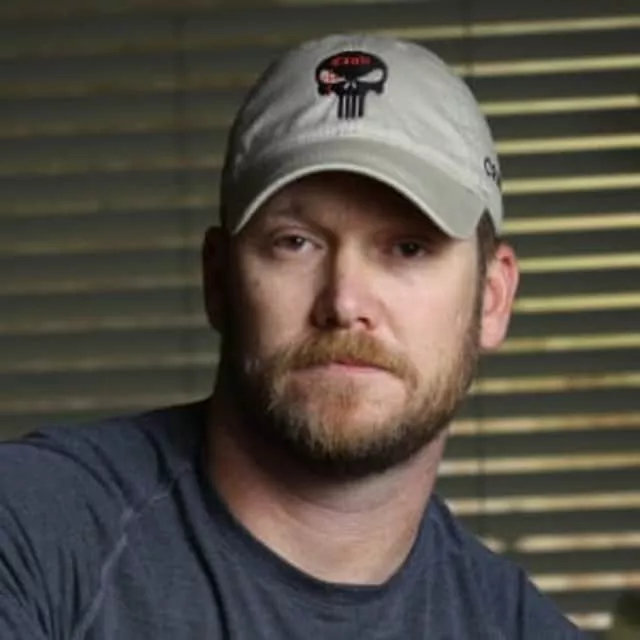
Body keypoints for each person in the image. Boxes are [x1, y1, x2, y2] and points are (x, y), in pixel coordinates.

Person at [0, 34, 588, 639]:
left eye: (409, 248)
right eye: (295, 242)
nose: (345, 303)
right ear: (218, 280)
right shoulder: (29, 534)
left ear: (492, 298)